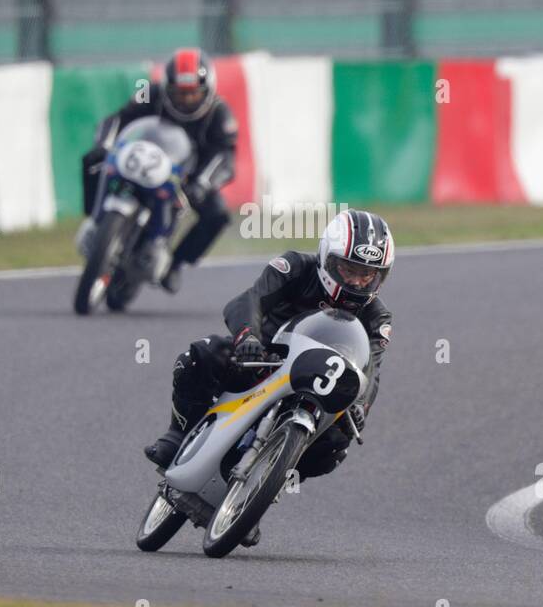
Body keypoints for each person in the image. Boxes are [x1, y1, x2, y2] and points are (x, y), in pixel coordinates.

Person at [144, 209, 395, 488]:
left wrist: (361, 405)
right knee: (203, 354)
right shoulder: (295, 267)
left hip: (316, 389)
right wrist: (247, 338)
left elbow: (371, 366)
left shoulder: (377, 317)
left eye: (367, 274)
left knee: (336, 445)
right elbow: (251, 300)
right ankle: (177, 435)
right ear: (327, 258)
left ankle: (261, 491)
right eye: (350, 270)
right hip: (259, 361)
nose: (356, 282)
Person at [78, 47, 238, 293]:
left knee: (217, 215)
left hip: (191, 174)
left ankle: (175, 263)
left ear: (207, 90)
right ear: (167, 87)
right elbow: (120, 117)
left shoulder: (221, 114)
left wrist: (203, 183)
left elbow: (225, 157)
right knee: (91, 161)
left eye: (192, 94)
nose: (185, 100)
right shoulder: (150, 93)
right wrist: (102, 145)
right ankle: (95, 220)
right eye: (179, 93)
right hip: (146, 157)